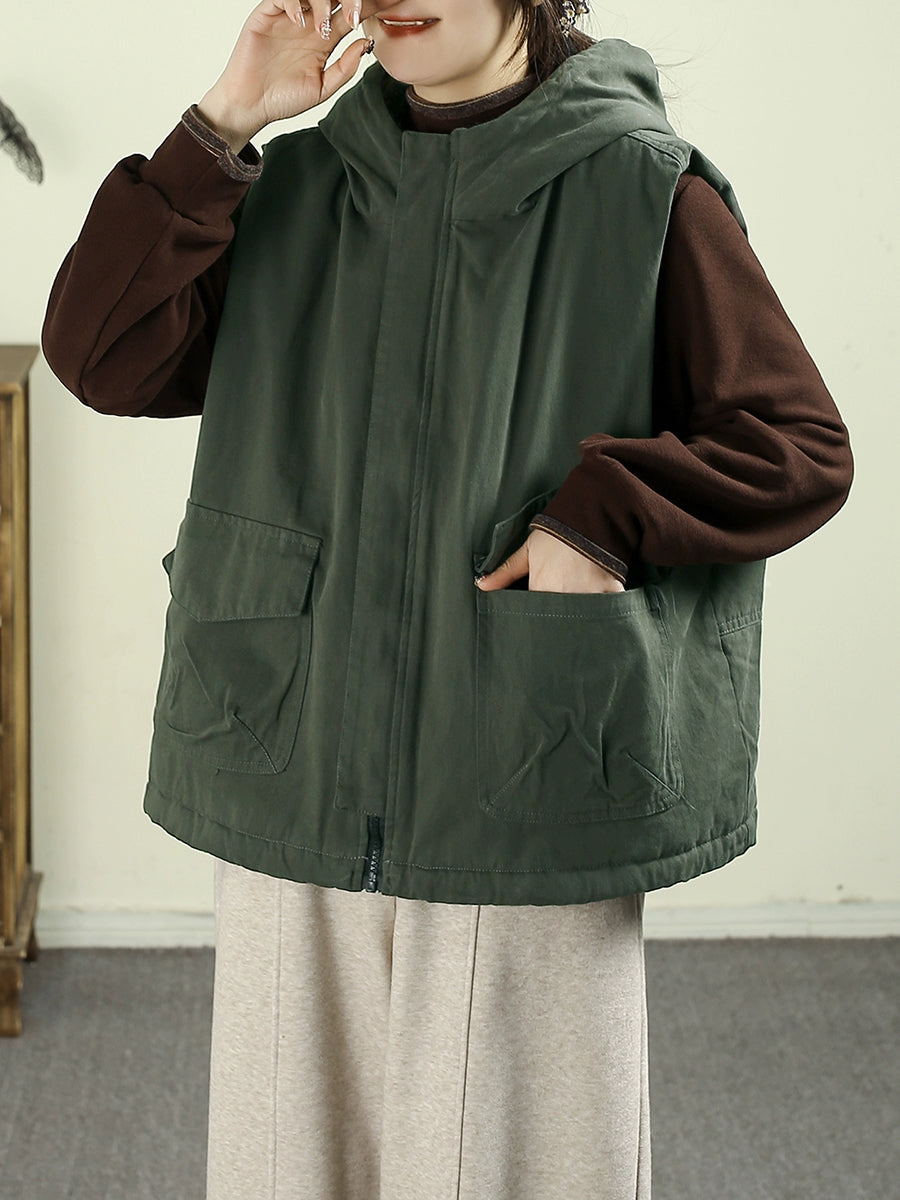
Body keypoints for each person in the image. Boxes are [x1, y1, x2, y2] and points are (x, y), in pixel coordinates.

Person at [41, 1, 854, 1196]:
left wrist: (603, 511)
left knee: (523, 1170)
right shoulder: (294, 187)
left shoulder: (643, 189)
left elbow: (795, 444)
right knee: (285, 1168)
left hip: (519, 759)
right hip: (295, 755)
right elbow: (100, 354)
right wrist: (224, 122)